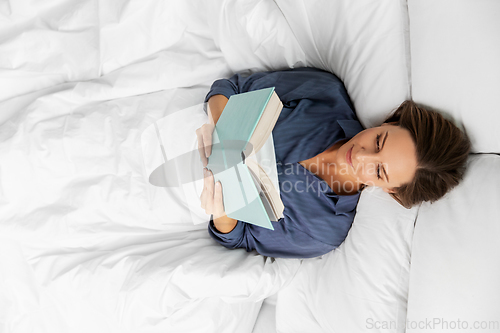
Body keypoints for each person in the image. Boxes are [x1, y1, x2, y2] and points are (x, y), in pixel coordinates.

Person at [196, 68, 470, 259]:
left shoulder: (323, 230)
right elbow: (230, 88)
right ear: (389, 122)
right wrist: (221, 132)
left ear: (391, 191)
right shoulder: (326, 95)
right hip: (183, 125)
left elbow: (236, 238)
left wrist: (222, 208)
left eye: (379, 170)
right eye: (378, 141)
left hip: (183, 200)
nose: (361, 156)